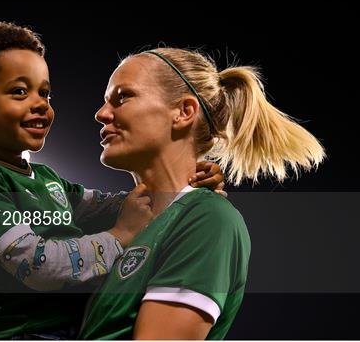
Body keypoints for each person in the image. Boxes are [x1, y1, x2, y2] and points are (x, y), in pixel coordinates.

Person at [0, 22, 225, 339]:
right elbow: (38, 266)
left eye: (45, 92)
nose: (40, 103)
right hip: (28, 334)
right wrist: (120, 235)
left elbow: (109, 206)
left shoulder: (44, 178)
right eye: (20, 91)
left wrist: (187, 183)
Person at [79, 48, 325, 340]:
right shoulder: (126, 221)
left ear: (184, 112)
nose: (102, 113)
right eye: (106, 101)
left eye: (123, 97)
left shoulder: (208, 220)